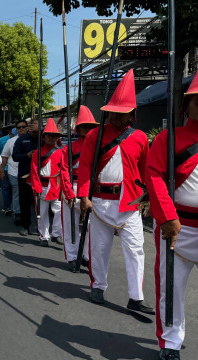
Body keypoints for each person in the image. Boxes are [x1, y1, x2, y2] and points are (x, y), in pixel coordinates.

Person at [78, 69, 153, 313]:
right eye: (113, 112)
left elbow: (145, 172)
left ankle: (136, 297)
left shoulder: (141, 137)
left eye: (122, 113)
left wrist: (146, 198)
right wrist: (84, 196)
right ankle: (98, 285)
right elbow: (86, 166)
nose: (116, 117)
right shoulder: (94, 135)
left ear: (132, 114)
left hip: (129, 203)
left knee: (135, 249)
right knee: (99, 249)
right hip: (100, 200)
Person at [146, 73, 198, 360]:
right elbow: (153, 174)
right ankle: (170, 342)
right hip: (178, 227)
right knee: (172, 289)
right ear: (187, 105)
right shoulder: (169, 138)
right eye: (197, 100)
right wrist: (166, 216)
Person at [60, 105, 97, 272]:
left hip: (91, 189)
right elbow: (64, 172)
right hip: (72, 189)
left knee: (93, 226)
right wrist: (68, 192)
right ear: (78, 129)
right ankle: (73, 256)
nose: (88, 129)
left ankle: (88, 257)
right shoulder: (68, 149)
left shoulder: (98, 148)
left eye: (91, 126)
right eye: (84, 126)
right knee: (70, 225)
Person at [29, 118, 64, 247]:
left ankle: (56, 234)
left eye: (54, 136)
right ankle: (43, 236)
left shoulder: (61, 152)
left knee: (59, 211)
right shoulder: (37, 153)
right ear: (43, 137)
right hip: (42, 186)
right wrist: (37, 187)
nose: (51, 138)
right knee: (42, 214)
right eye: (49, 135)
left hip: (56, 185)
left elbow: (64, 171)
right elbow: (34, 171)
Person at [13, 118, 40, 236]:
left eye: (37, 125)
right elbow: (15, 156)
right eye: (32, 124)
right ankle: (25, 226)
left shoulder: (44, 138)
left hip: (41, 177)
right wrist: (27, 155)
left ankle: (41, 227)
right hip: (25, 175)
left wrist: (41, 132)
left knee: (41, 204)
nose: (34, 127)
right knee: (25, 202)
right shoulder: (21, 140)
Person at [3, 122, 27, 225]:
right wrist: (2, 170)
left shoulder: (33, 140)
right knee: (17, 192)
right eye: (18, 127)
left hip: (29, 173)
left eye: (23, 127)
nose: (21, 129)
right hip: (13, 172)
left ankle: (27, 214)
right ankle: (17, 213)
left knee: (27, 195)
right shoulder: (10, 141)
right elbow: (4, 156)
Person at [0, 128, 14, 215]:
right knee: (6, 188)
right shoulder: (2, 140)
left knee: (14, 189)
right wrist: (1, 170)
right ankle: (7, 207)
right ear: (10, 132)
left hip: (15, 170)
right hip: (5, 169)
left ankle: (14, 208)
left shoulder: (20, 139)